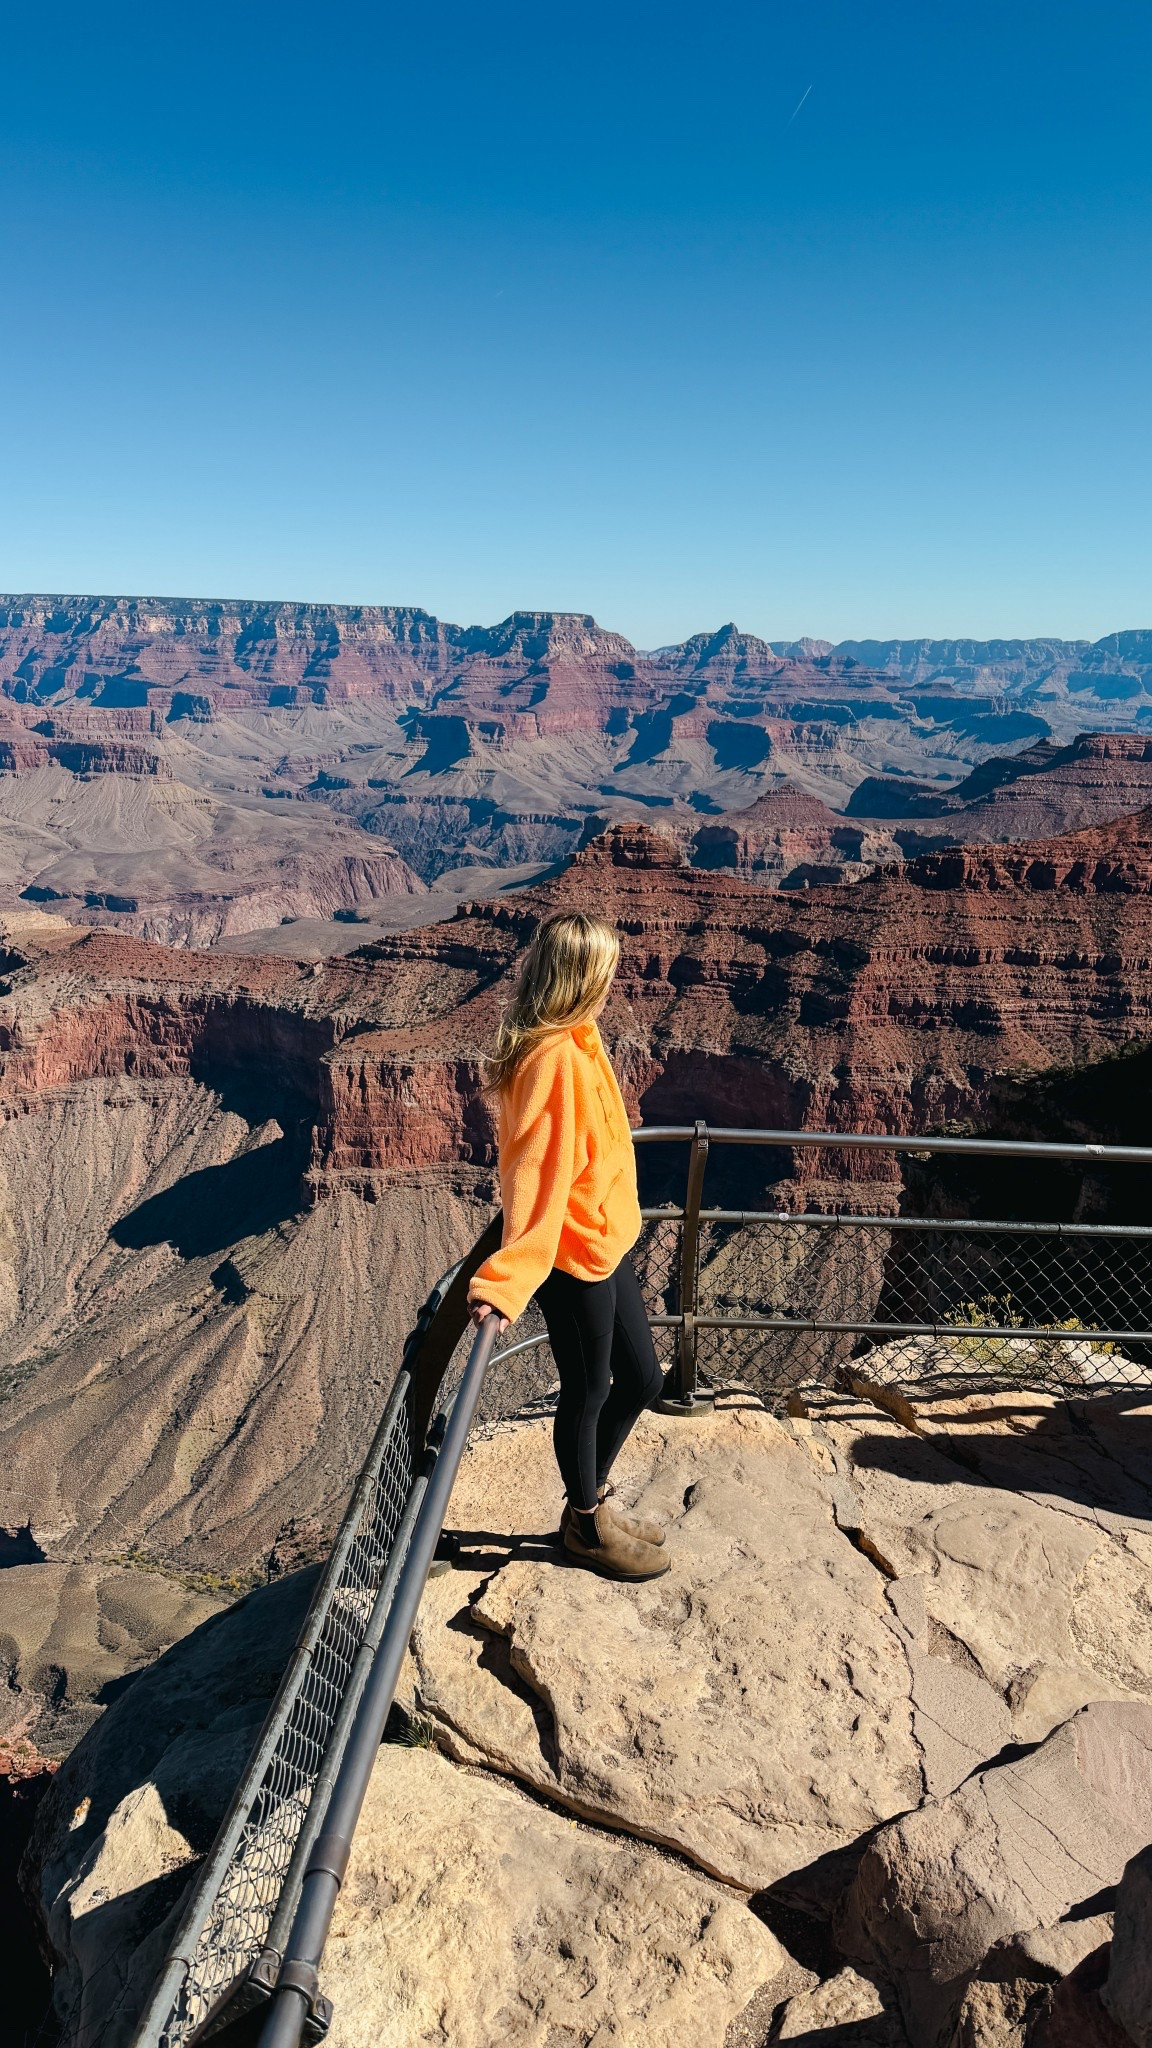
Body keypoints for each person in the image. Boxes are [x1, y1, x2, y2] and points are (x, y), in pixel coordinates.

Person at [468, 910, 670, 1581]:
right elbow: (535, 1176)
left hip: (605, 1241)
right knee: (587, 1392)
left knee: (643, 1379)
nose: (614, 982)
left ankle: (592, 1503)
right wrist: (507, 1279)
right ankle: (584, 1527)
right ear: (582, 976)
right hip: (570, 1257)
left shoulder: (580, 1037)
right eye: (606, 971)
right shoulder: (553, 1060)